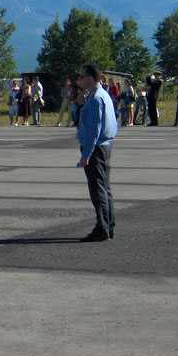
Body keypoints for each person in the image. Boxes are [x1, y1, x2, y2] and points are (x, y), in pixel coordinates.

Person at [76, 63, 118, 242]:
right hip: (104, 145)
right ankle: (108, 225)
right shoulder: (100, 95)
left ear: (91, 78)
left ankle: (102, 228)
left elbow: (94, 129)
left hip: (97, 148)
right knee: (104, 188)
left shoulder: (95, 99)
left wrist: (86, 155)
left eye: (82, 76)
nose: (79, 79)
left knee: (98, 189)